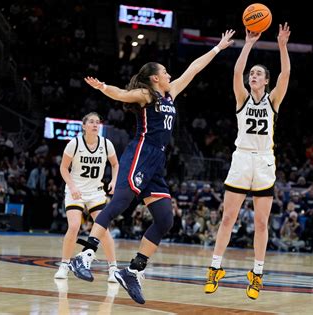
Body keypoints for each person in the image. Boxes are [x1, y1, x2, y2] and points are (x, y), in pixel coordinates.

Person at [69, 30, 235, 304]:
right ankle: (84, 256)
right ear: (155, 77)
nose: (170, 75)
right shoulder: (146, 95)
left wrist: (217, 48)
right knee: (120, 202)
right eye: (166, 72)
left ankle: (132, 270)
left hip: (157, 160)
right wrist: (102, 88)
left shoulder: (170, 93)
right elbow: (122, 94)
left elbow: (193, 69)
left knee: (165, 219)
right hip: (140, 153)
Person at [204, 23, 291, 300]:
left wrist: (282, 46)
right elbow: (236, 71)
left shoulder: (273, 100)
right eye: (252, 73)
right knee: (228, 217)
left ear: (266, 81)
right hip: (241, 158)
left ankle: (257, 273)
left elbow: (286, 73)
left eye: (258, 74)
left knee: (262, 223)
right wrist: (249, 43)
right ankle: (215, 269)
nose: (253, 75)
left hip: (264, 162)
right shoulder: (241, 97)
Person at [54, 112, 119, 282]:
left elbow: (115, 164)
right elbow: (63, 168)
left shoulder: (106, 144)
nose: (95, 125)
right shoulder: (74, 144)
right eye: (91, 122)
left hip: (96, 192)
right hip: (76, 191)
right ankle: (64, 264)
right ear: (84, 126)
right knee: (74, 226)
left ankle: (113, 268)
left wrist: (113, 180)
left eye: (98, 122)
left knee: (103, 230)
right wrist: (72, 186)